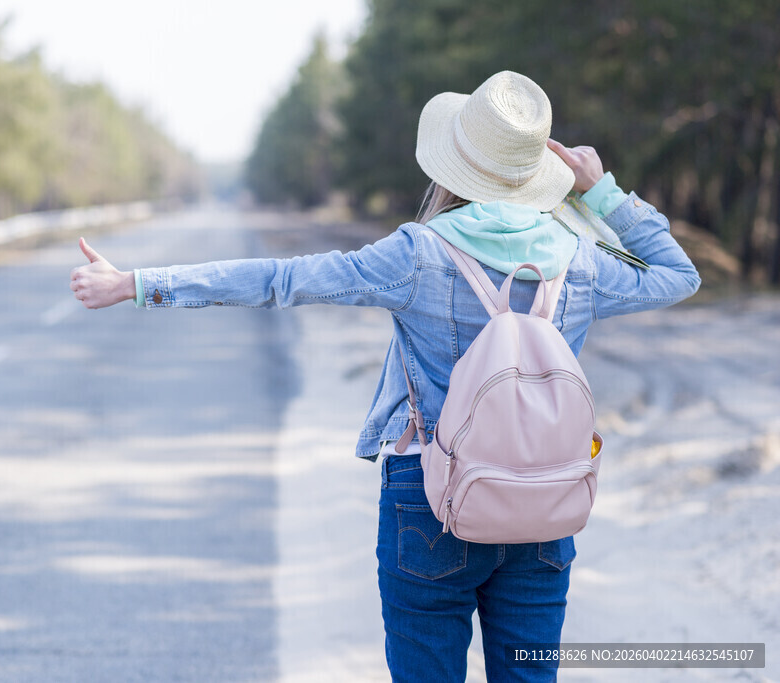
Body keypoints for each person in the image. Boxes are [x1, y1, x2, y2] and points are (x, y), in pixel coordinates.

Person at [70, 71, 700, 682]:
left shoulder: (418, 254)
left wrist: (138, 284)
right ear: (536, 173)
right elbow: (678, 276)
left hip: (431, 494)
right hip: (544, 500)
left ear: (454, 167)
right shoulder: (581, 263)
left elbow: (282, 279)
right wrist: (602, 194)